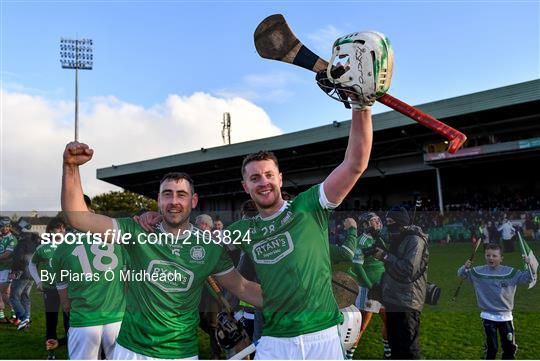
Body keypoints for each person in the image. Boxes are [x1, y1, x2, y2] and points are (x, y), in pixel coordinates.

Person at [61, 141, 262, 360]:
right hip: (131, 351)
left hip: (181, 353)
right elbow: (78, 217)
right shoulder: (136, 231)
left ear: (193, 200)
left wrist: (295, 301)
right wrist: (70, 167)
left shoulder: (209, 247)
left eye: (181, 194)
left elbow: (242, 287)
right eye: (167, 194)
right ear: (158, 199)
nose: (174, 201)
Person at [226, 100, 374, 359]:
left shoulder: (308, 206)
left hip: (323, 337)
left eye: (269, 175)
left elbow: (354, 164)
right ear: (245, 186)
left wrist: (361, 105)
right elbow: (198, 245)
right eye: (255, 178)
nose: (264, 182)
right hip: (275, 342)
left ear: (280, 178)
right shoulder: (243, 229)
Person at [50, 199, 127, 360]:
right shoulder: (117, 239)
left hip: (84, 319)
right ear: (91, 212)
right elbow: (128, 280)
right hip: (117, 317)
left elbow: (64, 298)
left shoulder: (62, 248)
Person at [457, 243, 536, 359]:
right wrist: (465, 267)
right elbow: (461, 275)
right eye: (488, 255)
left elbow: (529, 278)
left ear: (501, 258)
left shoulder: (511, 273)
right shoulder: (478, 272)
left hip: (506, 317)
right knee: (491, 348)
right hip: (487, 317)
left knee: (509, 348)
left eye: (494, 256)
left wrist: (530, 265)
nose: (491, 258)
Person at [371, 206, 428, 360]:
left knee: (409, 349)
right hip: (393, 299)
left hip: (407, 301)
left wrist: (385, 256)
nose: (387, 225)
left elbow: (408, 269)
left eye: (390, 221)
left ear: (400, 222)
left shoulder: (415, 240)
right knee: (395, 346)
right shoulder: (399, 237)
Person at [351, 212, 391, 359]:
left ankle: (388, 353)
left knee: (390, 321)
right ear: (365, 225)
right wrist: (369, 286)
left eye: (377, 220)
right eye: (373, 221)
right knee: (360, 327)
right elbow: (357, 267)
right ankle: (348, 355)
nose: (377, 223)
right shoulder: (361, 241)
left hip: (383, 287)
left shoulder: (379, 238)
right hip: (369, 289)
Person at [29, 217, 70, 357]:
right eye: (59, 228)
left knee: (69, 322)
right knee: (51, 322)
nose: (62, 230)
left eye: (63, 228)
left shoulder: (70, 246)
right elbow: (32, 264)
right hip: (50, 289)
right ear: (51, 230)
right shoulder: (42, 248)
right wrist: (38, 281)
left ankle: (71, 349)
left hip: (68, 290)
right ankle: (51, 353)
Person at [10, 231, 39, 330]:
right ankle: (26, 319)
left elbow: (17, 259)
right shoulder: (35, 245)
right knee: (25, 297)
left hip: (21, 273)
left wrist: (14, 271)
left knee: (13, 297)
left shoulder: (21, 244)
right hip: (32, 274)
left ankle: (24, 319)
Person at [0, 217, 17, 324]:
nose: (4, 228)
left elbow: (7, 254)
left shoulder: (12, 239)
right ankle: (2, 316)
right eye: (2, 226)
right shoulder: (1, 238)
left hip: (7, 269)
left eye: (7, 226)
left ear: (10, 227)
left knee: (5, 293)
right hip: (1, 268)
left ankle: (16, 314)